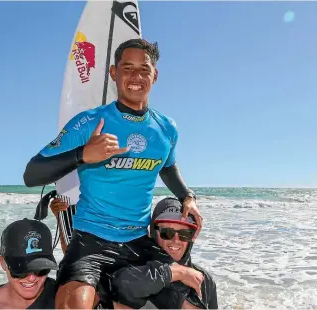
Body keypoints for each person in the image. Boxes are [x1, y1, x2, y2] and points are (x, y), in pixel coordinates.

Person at [23, 38, 202, 309]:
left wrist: (187, 196)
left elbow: (167, 166)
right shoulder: (89, 122)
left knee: (192, 300)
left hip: (138, 241)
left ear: (155, 75)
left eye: (144, 69)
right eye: (127, 68)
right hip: (90, 241)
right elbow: (31, 174)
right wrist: (82, 155)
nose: (136, 77)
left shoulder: (166, 128)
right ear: (113, 73)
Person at [112, 197, 218, 309]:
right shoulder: (133, 267)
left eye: (184, 234)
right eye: (167, 232)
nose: (176, 240)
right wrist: (177, 273)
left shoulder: (204, 280)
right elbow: (123, 282)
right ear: (154, 233)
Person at [0, 218, 58, 309]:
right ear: (3, 263)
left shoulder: (65, 297)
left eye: (41, 269)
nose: (31, 278)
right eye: (21, 270)